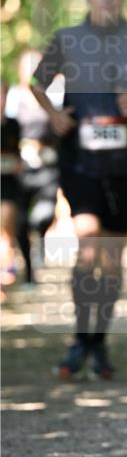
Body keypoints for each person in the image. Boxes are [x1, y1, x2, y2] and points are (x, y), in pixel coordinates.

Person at [30, 0, 127, 379]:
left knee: (111, 261)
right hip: (79, 163)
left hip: (124, 166)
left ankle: (97, 340)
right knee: (88, 244)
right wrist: (54, 116)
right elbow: (37, 83)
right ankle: (80, 338)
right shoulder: (69, 39)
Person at [5, 50, 59, 286]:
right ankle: (29, 273)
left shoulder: (54, 96)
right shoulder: (13, 98)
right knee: (20, 223)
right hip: (21, 168)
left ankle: (42, 240)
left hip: (49, 165)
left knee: (43, 214)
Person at [1, 81, 22, 298]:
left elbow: (17, 155)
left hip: (8, 185)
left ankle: (6, 267)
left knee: (6, 227)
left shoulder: (13, 125)